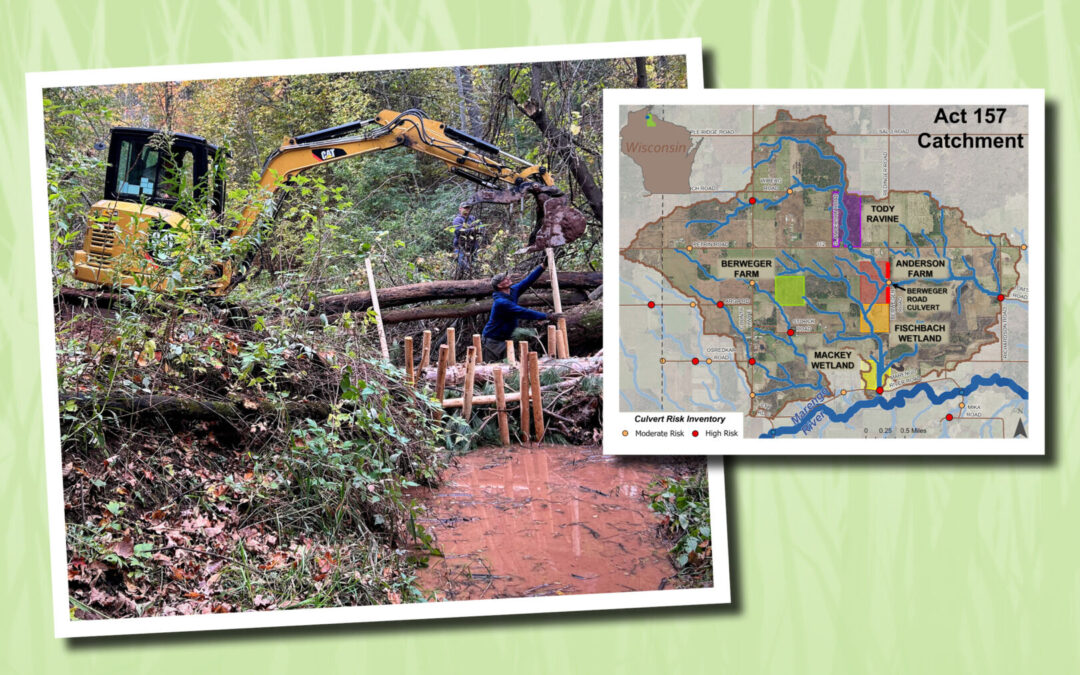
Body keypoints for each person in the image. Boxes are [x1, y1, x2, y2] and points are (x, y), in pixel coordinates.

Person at [480, 262, 561, 361]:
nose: (508, 278)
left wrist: (543, 266)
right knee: (490, 368)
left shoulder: (513, 291)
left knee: (508, 368)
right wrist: (546, 316)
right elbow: (522, 312)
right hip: (492, 340)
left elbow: (528, 281)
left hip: (506, 339)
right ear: (500, 286)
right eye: (504, 279)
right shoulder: (501, 302)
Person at [452, 202, 483, 277]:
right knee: (463, 267)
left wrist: (475, 229)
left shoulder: (473, 218)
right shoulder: (457, 220)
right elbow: (459, 231)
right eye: (465, 208)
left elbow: (481, 227)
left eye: (468, 208)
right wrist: (473, 230)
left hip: (473, 246)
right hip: (461, 247)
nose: (467, 210)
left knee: (475, 266)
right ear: (460, 209)